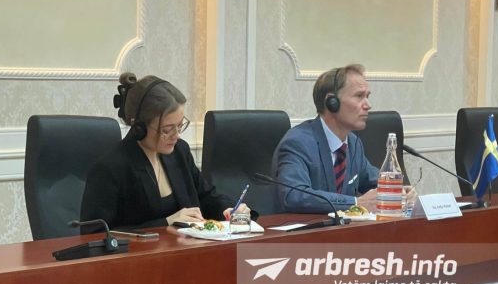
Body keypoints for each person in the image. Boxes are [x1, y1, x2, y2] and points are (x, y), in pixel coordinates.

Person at [81, 72, 250, 230]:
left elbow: (206, 196)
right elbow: (96, 234)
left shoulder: (180, 151)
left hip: (187, 249)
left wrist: (229, 209)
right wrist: (167, 222)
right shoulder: (111, 168)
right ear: (139, 127)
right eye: (167, 129)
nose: (176, 135)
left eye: (180, 125)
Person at [272, 64, 379, 213]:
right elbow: (294, 196)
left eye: (367, 97)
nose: (368, 105)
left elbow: (374, 180)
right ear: (332, 102)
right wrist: (355, 202)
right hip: (304, 227)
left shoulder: (353, 143)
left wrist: (401, 191)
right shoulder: (298, 143)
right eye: (359, 96)